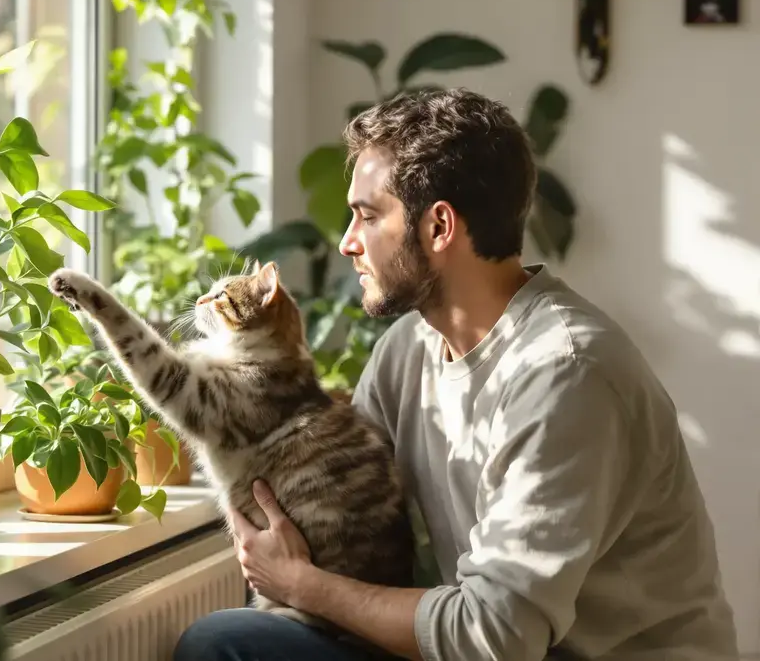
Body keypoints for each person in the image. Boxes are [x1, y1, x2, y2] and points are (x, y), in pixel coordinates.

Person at [172, 88, 740, 660]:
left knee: (226, 646)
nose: (347, 243)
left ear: (439, 226)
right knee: (233, 639)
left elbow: (495, 636)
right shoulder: (407, 351)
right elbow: (338, 508)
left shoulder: (565, 374)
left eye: (368, 216)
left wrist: (304, 587)